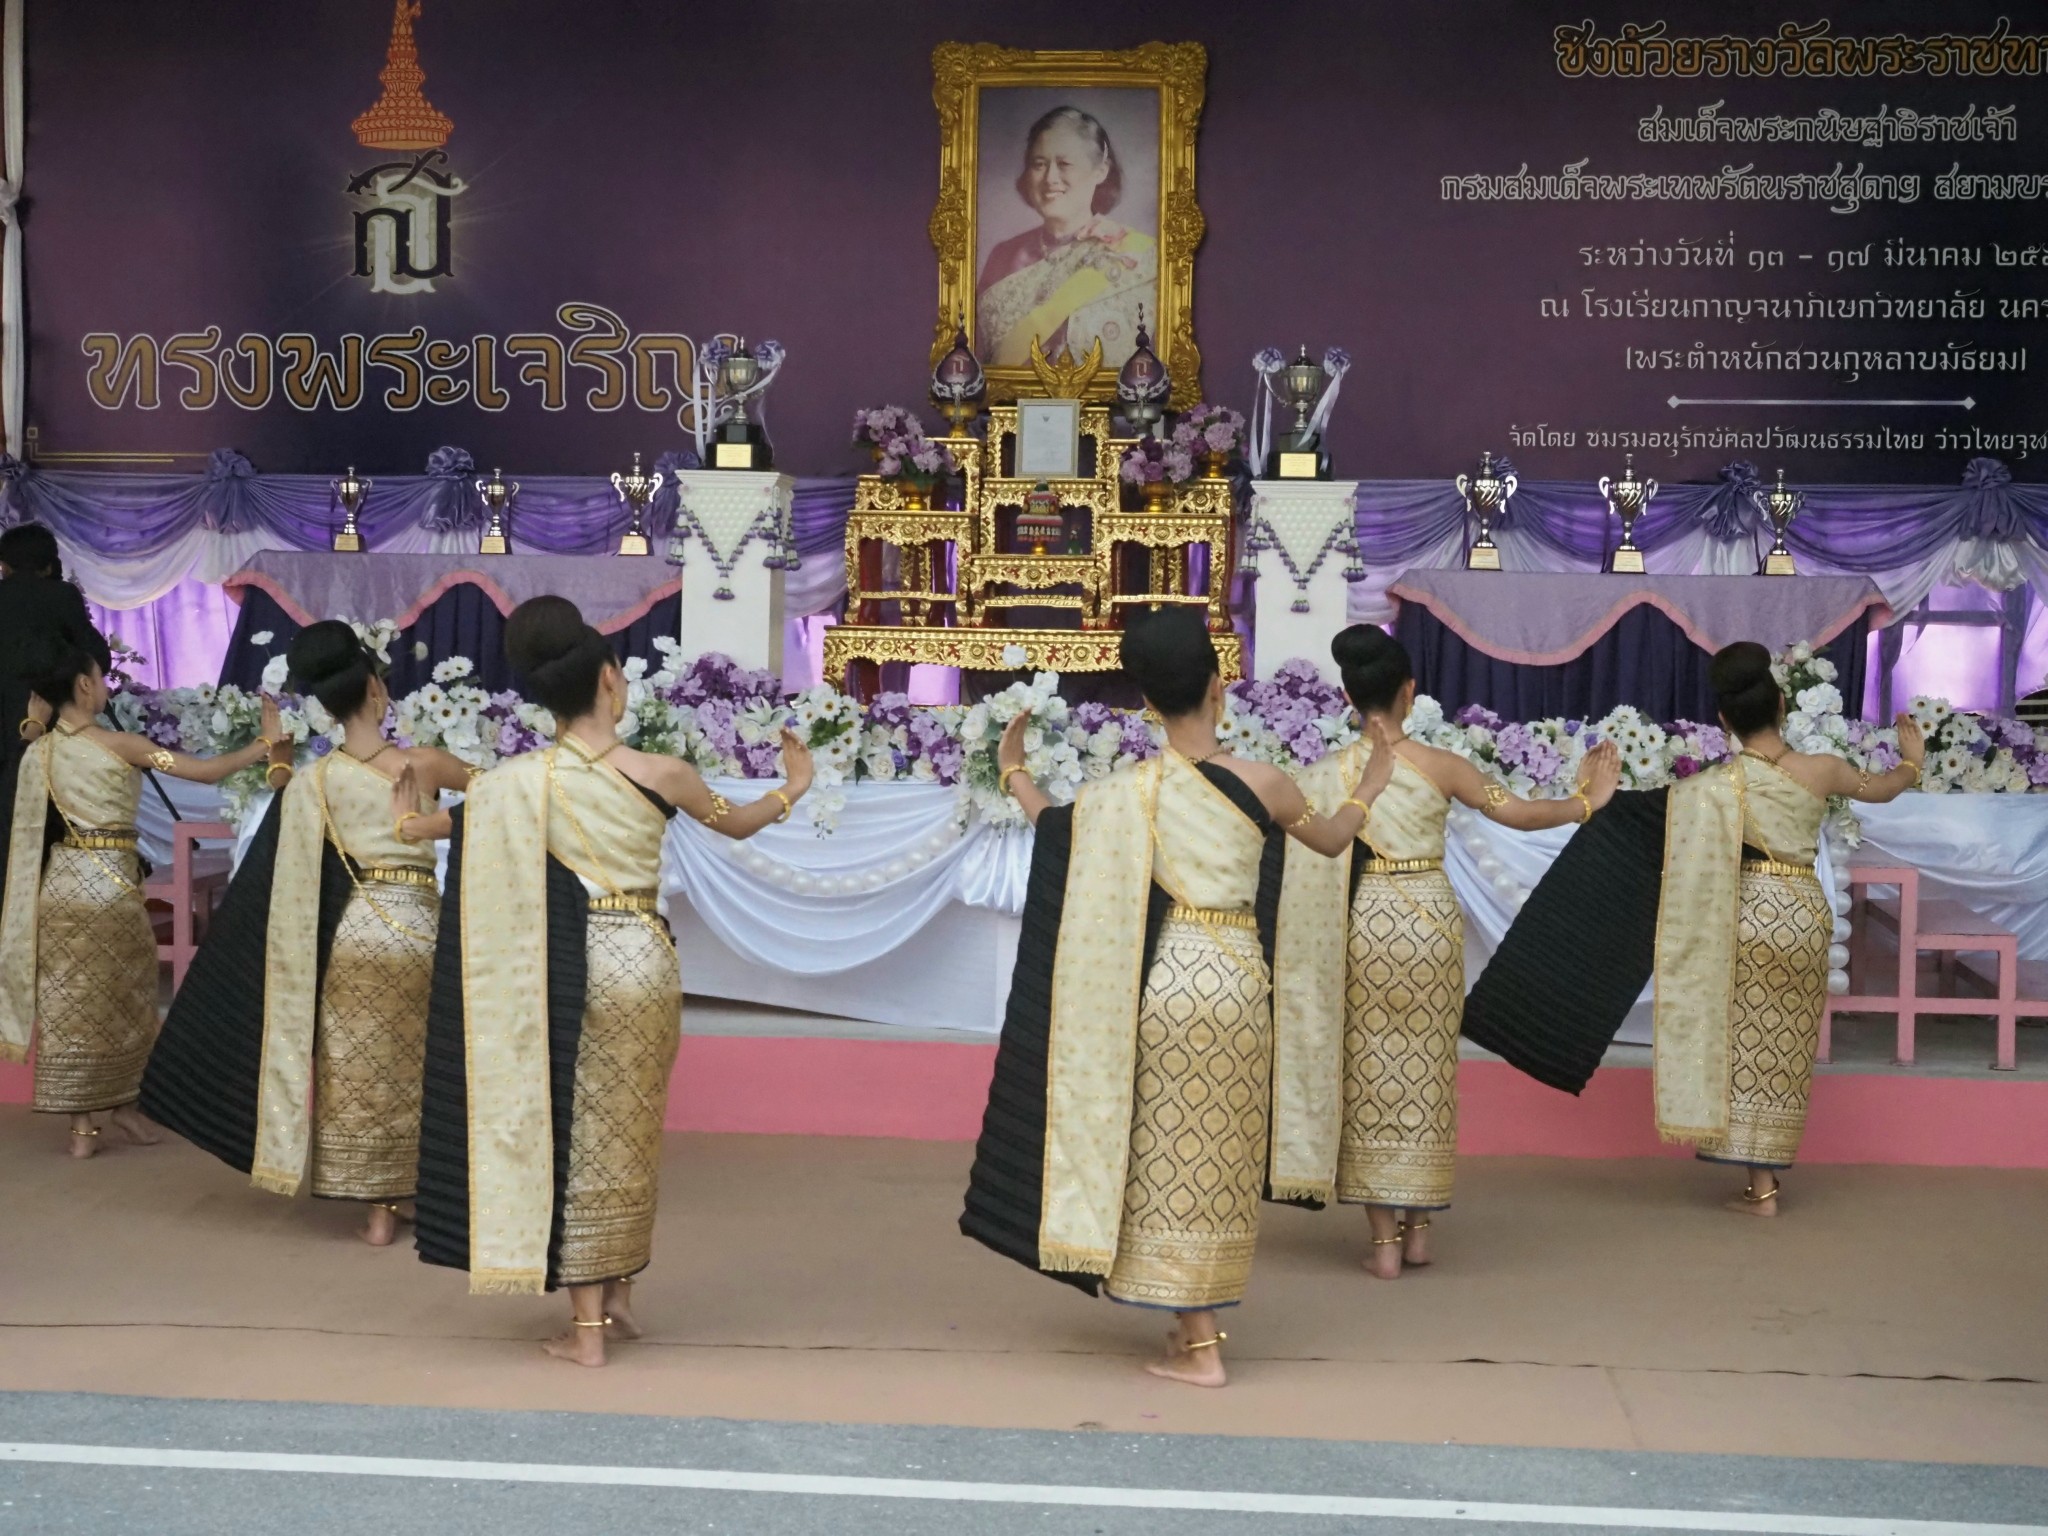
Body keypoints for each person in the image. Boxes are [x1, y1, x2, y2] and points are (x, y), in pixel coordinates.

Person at [959, 607, 1397, 1389]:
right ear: (1218, 687)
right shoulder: (1265, 783)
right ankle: (1197, 1329)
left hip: (1165, 983)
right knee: (1220, 1156)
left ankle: (1198, 1343)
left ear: (1147, 704)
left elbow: (1055, 833)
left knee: (1165, 1152)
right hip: (1238, 980)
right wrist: (1367, 788)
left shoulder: (1126, 793)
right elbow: (1333, 840)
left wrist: (1014, 771)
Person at [413, 597, 813, 1367]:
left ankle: (587, 1329)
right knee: (631, 1128)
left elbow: (457, 828)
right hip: (647, 958)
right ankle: (620, 1292)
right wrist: (793, 786)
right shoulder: (665, 773)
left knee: (575, 1131)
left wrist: (417, 820)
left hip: (569, 958)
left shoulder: (514, 783)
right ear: (607, 679)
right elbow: (737, 821)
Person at [1462, 642, 1926, 1213]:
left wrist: (1593, 798)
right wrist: (1911, 761)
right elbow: (1884, 788)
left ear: (1724, 719)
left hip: (1743, 915)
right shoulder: (1823, 769)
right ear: (1782, 705)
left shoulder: (1711, 788)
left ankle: (1761, 1186)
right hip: (1802, 915)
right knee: (1782, 1046)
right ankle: (1766, 1175)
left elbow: (1637, 825)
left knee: (1742, 1044)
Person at [1275, 628, 1620, 1278]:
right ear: (1410, 692)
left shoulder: (1322, 777)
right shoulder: (1443, 767)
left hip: (1362, 925)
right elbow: (1519, 814)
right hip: (1429, 923)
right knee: (1426, 1070)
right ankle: (1419, 1231)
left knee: (1367, 1071)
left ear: (1348, 698)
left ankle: (1382, 1243)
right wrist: (1586, 800)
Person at [140, 622, 474, 1245]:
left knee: (357, 1064)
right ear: (376, 690)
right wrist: (430, 825)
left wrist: (278, 756)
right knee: (420, 1060)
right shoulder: (422, 764)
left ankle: (375, 1208)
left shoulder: (314, 783)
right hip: (416, 926)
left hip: (354, 932)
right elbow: (501, 798)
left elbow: (282, 816)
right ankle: (417, 1188)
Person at [0, 637, 290, 1155]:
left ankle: (83, 1128)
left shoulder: (39, 752)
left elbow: (31, 757)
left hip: (61, 888)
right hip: (110, 888)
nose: (105, 688)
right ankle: (126, 1107)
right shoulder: (121, 746)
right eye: (100, 678)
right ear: (84, 685)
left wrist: (33, 726)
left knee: (72, 1005)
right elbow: (204, 771)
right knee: (127, 999)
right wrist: (264, 744)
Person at [975, 105, 1158, 369]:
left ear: (1101, 171)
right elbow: (978, 363)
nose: (1050, 178)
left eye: (1065, 164)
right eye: (1039, 164)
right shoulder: (1003, 256)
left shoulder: (1137, 255)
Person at [0, 524, 109, 783]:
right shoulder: (62, 595)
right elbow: (98, 658)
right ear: (49, 564)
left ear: (4, 564)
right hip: (54, 719)